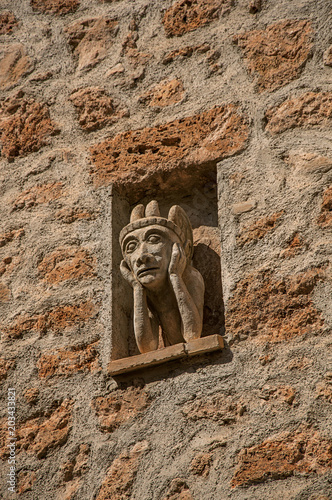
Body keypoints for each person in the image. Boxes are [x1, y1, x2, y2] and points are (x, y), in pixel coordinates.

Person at [119, 200, 204, 354]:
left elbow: (192, 335)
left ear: (180, 250)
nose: (141, 256)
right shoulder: (150, 289)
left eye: (154, 240)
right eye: (131, 247)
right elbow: (147, 347)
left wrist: (175, 275)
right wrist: (137, 288)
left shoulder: (192, 277)